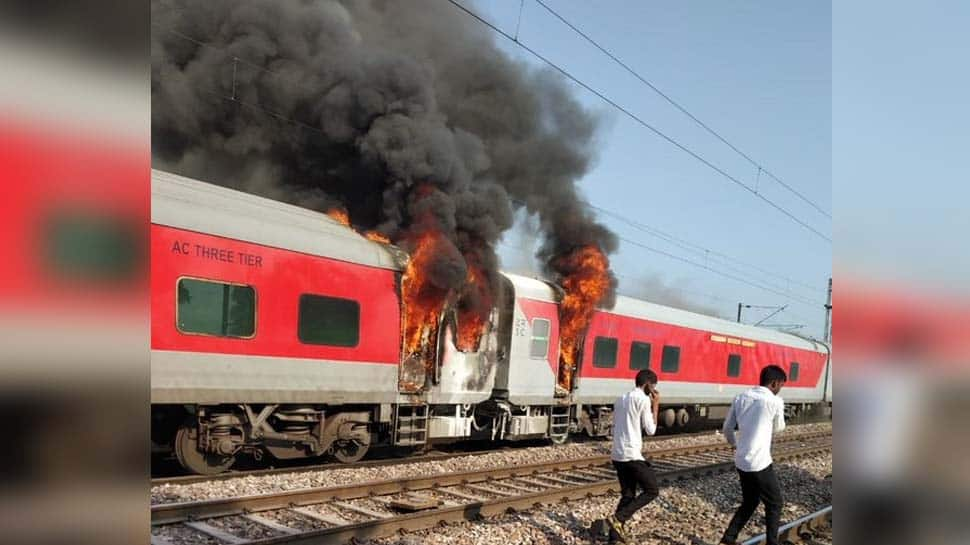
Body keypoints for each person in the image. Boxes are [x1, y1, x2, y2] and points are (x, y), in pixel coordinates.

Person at [719, 364, 788, 545]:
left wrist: (735, 444)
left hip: (741, 460)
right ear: (774, 383)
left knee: (750, 501)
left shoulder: (740, 397)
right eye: (781, 385)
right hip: (760, 462)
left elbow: (727, 428)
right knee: (775, 503)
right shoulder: (775, 401)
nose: (780, 389)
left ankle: (728, 538)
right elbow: (779, 428)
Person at [606, 369, 661, 544]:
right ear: (648, 385)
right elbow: (651, 430)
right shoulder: (643, 399)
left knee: (628, 495)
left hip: (617, 454)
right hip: (632, 454)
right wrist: (656, 405)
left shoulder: (620, 399)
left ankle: (614, 538)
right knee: (652, 490)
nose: (653, 391)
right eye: (653, 387)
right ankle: (618, 519)